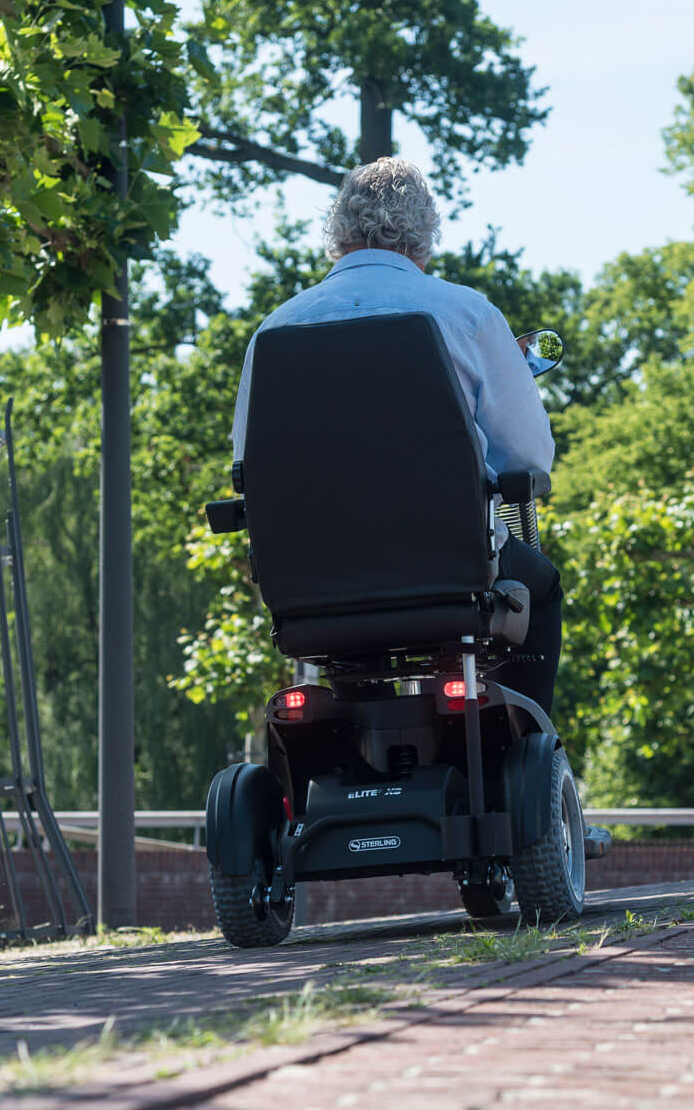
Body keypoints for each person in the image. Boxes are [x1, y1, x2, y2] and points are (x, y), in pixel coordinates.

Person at [228, 157, 563, 716]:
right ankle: (522, 738)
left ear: (337, 231)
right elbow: (528, 458)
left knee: (348, 660)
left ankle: (354, 733)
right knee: (541, 588)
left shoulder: (274, 330)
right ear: (425, 233)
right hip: (453, 574)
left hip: (313, 586)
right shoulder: (467, 315)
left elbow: (247, 463)